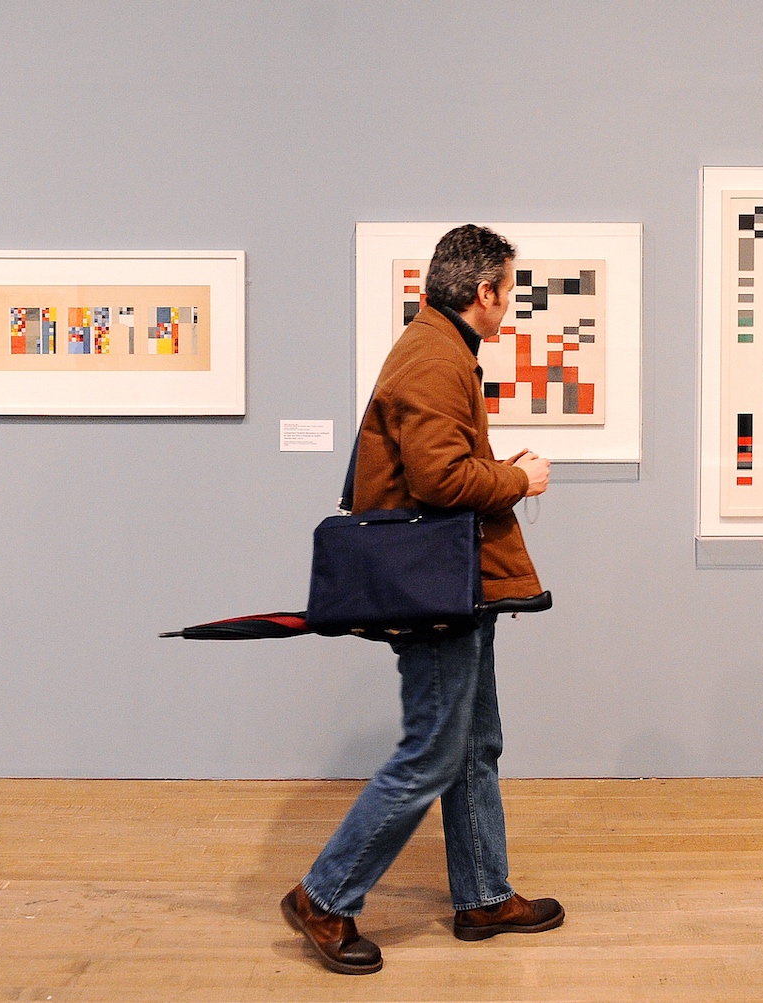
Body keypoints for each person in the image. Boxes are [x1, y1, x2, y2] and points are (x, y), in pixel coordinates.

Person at [281, 224, 564, 975]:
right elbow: (441, 480)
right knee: (434, 751)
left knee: (472, 744)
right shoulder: (435, 357)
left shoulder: (437, 347)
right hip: (437, 586)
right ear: (484, 292)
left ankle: (482, 894)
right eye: (508, 287)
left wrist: (495, 472)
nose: (510, 301)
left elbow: (434, 468)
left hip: (454, 580)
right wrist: (518, 478)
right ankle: (324, 894)